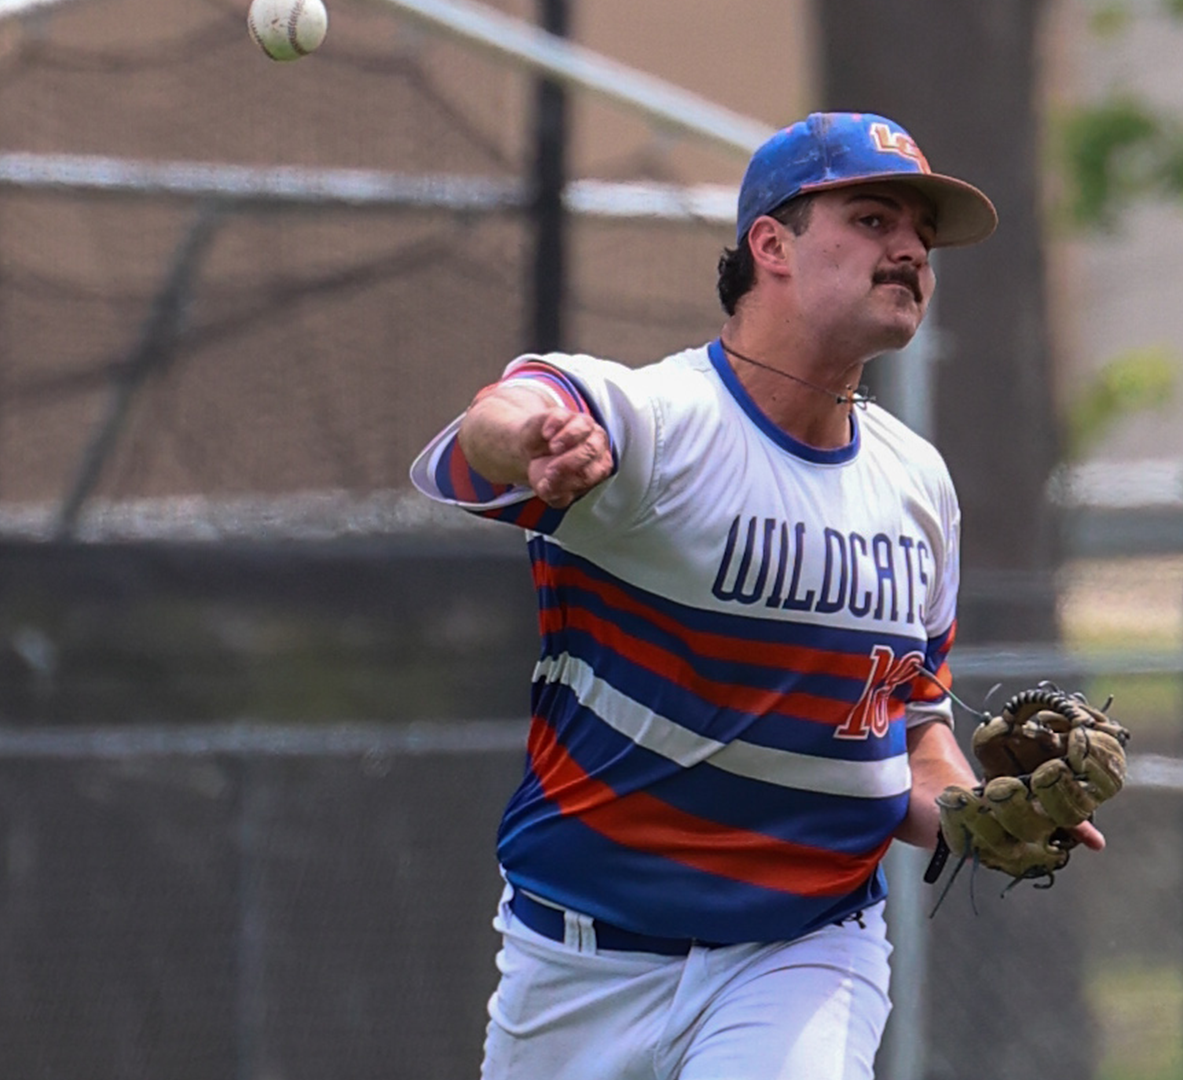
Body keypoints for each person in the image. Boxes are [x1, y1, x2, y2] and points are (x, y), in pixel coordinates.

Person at [410, 111, 1105, 1080]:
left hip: (803, 951)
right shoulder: (660, 425)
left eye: (922, 235)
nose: (909, 247)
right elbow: (505, 411)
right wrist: (533, 442)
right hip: (579, 961)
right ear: (770, 243)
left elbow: (908, 734)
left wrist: (976, 808)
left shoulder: (919, 489)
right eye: (872, 218)